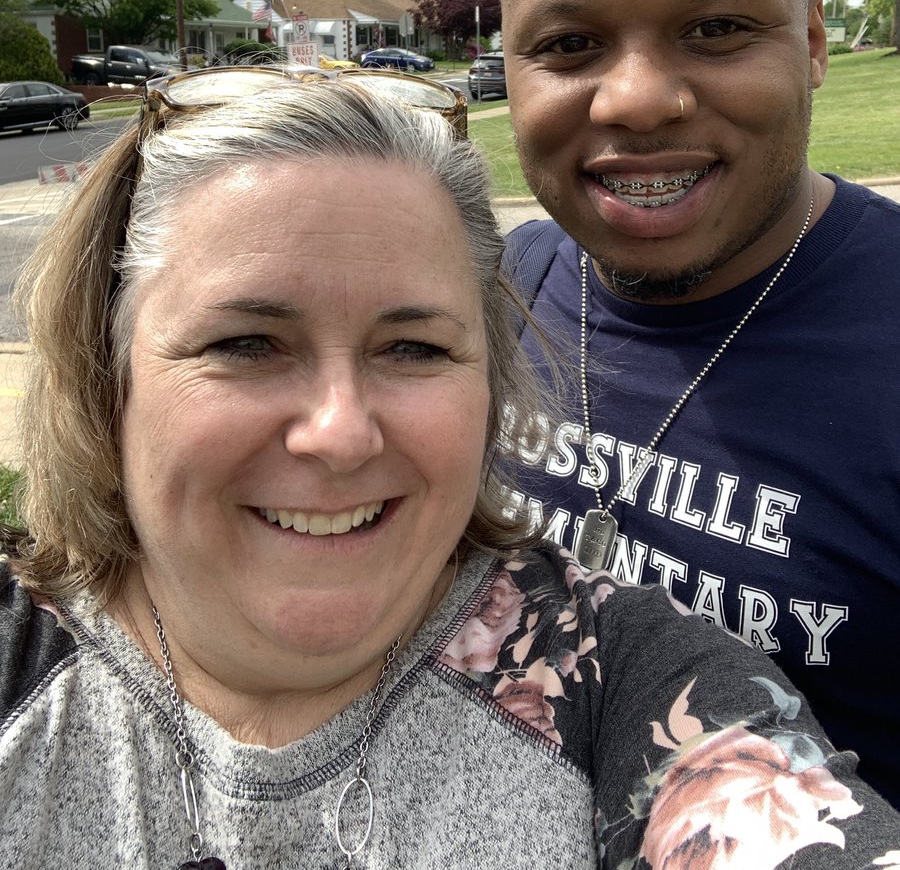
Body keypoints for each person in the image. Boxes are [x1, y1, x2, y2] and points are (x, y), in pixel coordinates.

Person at [1, 72, 897, 865]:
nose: (341, 434)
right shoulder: (21, 663)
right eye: (245, 343)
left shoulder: (618, 681)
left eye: (414, 348)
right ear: (107, 370)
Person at [486, 0, 900, 807]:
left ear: (810, 38)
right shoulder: (486, 301)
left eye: (715, 28)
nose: (637, 99)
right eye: (571, 42)